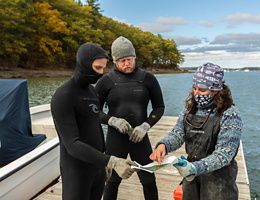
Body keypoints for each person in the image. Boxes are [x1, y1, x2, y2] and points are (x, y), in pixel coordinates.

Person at [51, 43, 136, 200]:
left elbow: (95, 127)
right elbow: (72, 144)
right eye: (97, 68)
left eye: (104, 68)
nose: (101, 73)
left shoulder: (91, 91)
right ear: (84, 64)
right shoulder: (63, 96)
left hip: (97, 167)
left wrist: (104, 161)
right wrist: (112, 161)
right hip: (76, 171)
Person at [150, 63, 243, 200]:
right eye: (194, 88)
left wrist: (195, 168)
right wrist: (164, 145)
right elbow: (178, 134)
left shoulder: (230, 115)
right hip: (191, 177)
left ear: (216, 90)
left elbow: (224, 154)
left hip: (218, 181)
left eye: (202, 90)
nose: (196, 93)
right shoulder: (189, 109)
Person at [95, 36, 165, 200]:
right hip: (115, 138)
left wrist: (145, 126)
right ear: (114, 61)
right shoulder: (106, 81)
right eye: (122, 60)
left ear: (135, 58)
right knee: (112, 181)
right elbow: (93, 111)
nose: (127, 63)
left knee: (148, 180)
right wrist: (112, 120)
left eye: (129, 59)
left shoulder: (147, 78)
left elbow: (159, 107)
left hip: (139, 138)